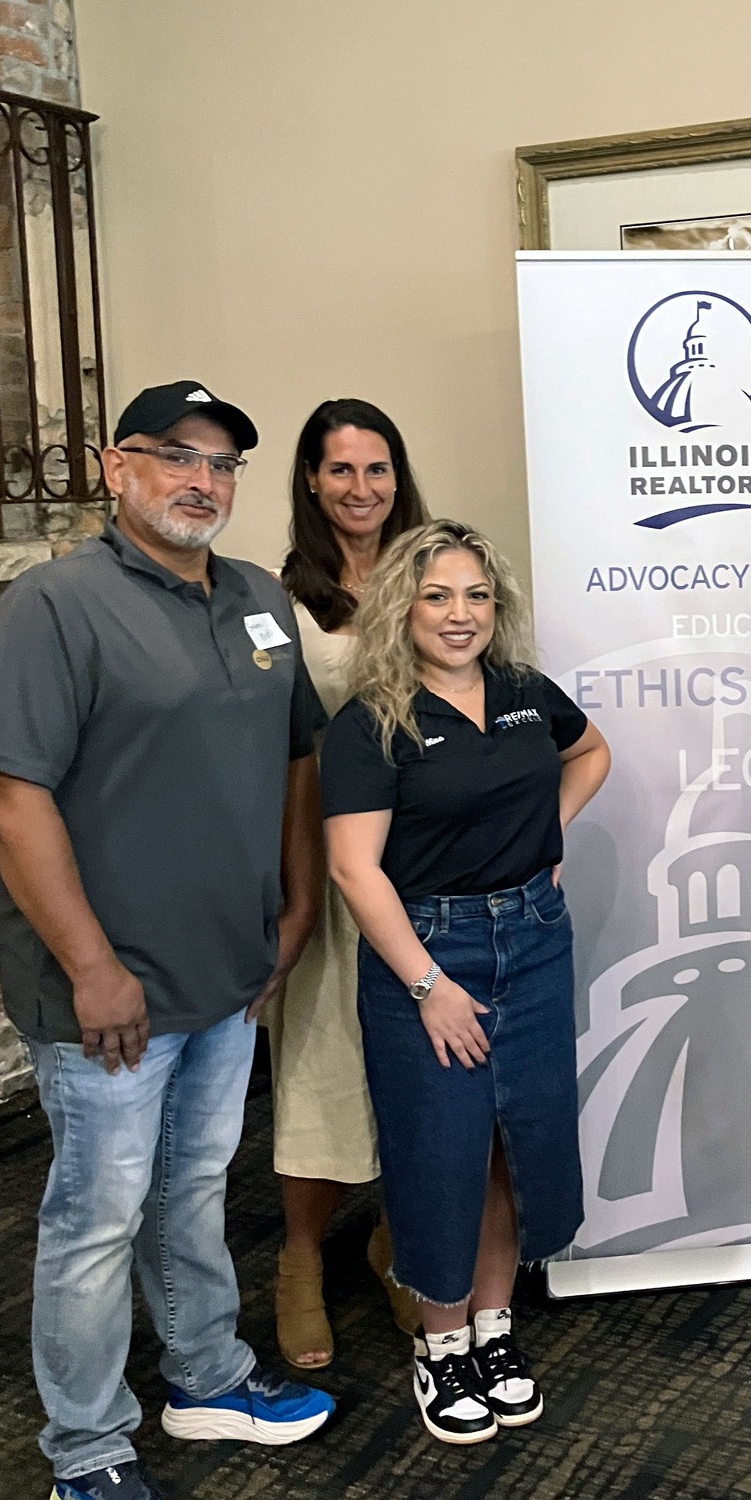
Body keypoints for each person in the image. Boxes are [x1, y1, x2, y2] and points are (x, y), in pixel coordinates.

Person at [0, 380, 335, 1500]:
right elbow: (9, 794)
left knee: (191, 1189)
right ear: (115, 466)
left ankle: (206, 1377)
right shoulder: (54, 606)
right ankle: (85, 1454)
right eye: (175, 455)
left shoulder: (259, 598)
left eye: (223, 462)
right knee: (95, 1218)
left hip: (225, 971)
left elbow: (296, 758)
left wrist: (295, 904)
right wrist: (91, 965)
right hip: (108, 997)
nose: (202, 479)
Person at [322, 521, 610, 1444]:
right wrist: (427, 986)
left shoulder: (523, 692)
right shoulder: (372, 722)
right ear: (401, 608)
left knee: (513, 1141)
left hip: (533, 940)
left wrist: (548, 837)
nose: (460, 614)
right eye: (438, 596)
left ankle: (494, 1326)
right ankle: (440, 1343)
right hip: (429, 951)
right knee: (438, 1148)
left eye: (476, 596)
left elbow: (591, 753)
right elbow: (354, 869)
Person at [268, 397, 428, 1369]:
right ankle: (298, 1260)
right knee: (322, 1059)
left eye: (377, 469)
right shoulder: (278, 602)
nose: (361, 488)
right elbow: (282, 754)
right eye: (341, 469)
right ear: (311, 480)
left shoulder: (435, 576)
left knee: (421, 1064)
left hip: (429, 861)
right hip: (330, 865)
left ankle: (400, 1242)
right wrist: (290, 893)